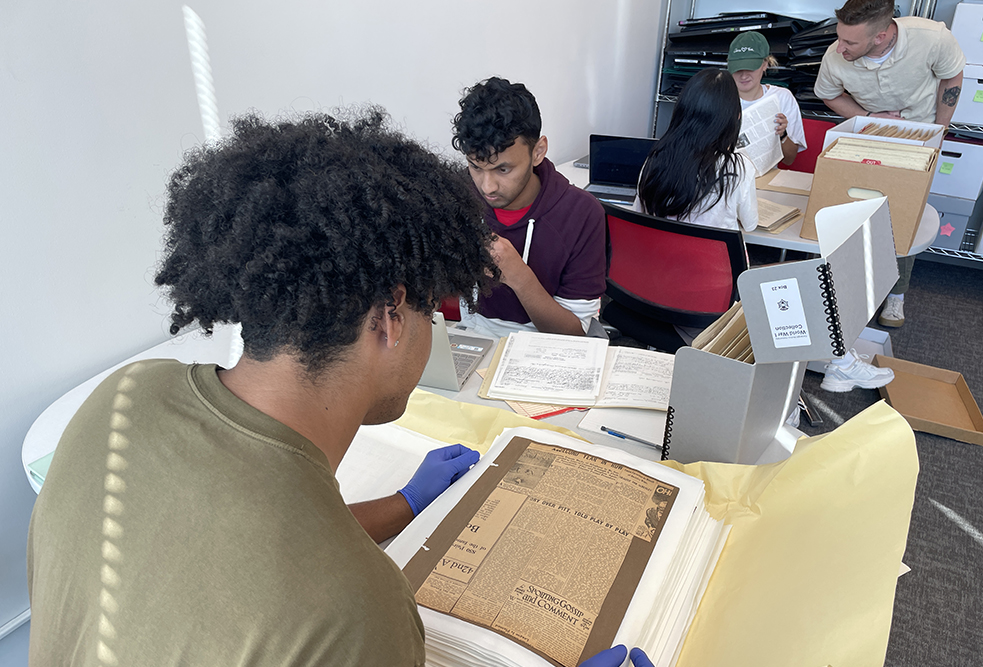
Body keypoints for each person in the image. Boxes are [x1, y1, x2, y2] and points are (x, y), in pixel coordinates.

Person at [25, 108, 653, 667]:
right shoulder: (358, 610)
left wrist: (407, 502)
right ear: (390, 318)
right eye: (433, 311)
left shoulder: (124, 395)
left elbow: (225, 543)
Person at [814, 0, 966, 329]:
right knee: (851, 211)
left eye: (850, 42)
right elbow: (829, 94)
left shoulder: (931, 38)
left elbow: (952, 77)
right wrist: (869, 118)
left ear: (880, 36)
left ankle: (896, 295)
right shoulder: (834, 55)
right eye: (840, 37)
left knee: (901, 218)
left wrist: (938, 131)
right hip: (868, 135)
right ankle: (844, 288)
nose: (840, 48)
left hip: (918, 138)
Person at [452, 76, 607, 337]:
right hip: (475, 334)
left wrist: (518, 275)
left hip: (549, 345)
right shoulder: (459, 195)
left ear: (538, 151)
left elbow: (575, 334)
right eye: (475, 167)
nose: (487, 187)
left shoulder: (581, 213)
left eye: (503, 169)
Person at [636, 68, 758, 233]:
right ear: (735, 116)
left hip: (657, 255)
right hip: (711, 258)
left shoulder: (657, 157)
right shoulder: (738, 167)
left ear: (681, 110)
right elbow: (750, 224)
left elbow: (638, 213)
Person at [727, 31, 807, 166]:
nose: (743, 76)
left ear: (765, 64)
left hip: (765, 175)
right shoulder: (717, 97)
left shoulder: (782, 97)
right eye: (738, 69)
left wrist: (782, 135)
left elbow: (789, 159)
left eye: (750, 68)